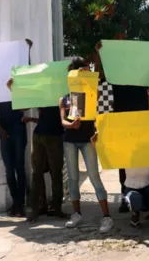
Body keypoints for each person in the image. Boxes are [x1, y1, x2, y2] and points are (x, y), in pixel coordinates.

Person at [94, 38, 149, 213]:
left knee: (147, 159)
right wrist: (99, 53)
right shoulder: (115, 76)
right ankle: (126, 197)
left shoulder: (143, 75)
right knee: (123, 160)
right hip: (122, 122)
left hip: (143, 120)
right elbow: (98, 74)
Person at [60, 57, 113, 234]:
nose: (86, 72)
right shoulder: (65, 99)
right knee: (73, 178)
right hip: (70, 140)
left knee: (94, 176)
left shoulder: (93, 93)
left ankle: (106, 216)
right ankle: (76, 214)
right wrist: (71, 125)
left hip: (88, 139)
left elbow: (100, 109)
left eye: (87, 70)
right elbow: (63, 121)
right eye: (81, 70)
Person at [6, 65, 65, 223]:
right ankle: (36, 209)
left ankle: (56, 208)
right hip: (40, 136)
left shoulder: (63, 93)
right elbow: (23, 106)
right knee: (37, 174)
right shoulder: (41, 92)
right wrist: (13, 90)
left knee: (56, 173)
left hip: (55, 136)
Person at [0, 101, 27, 217]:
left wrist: (14, 92)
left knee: (20, 168)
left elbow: (25, 107)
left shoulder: (17, 85)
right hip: (4, 132)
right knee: (9, 171)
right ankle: (16, 202)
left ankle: (19, 205)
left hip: (18, 131)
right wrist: (0, 128)